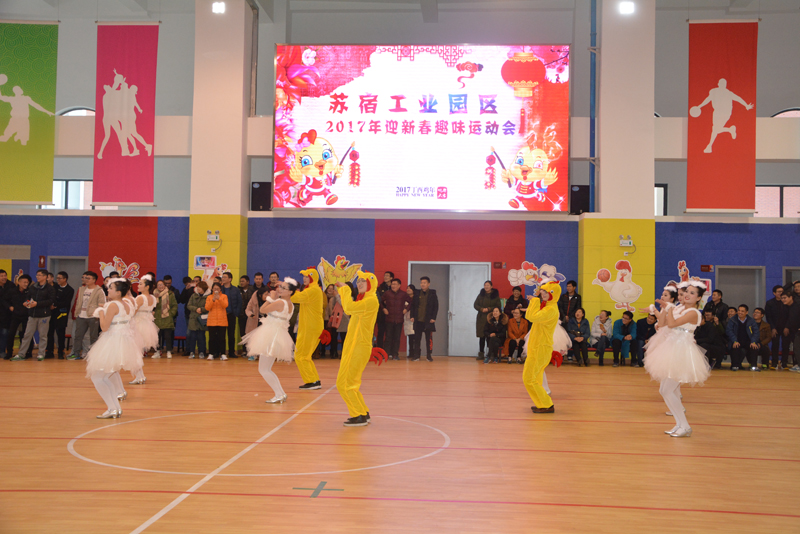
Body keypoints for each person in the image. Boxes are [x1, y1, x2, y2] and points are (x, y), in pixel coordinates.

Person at [645, 281, 710, 437]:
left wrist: (668, 308)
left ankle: (685, 426)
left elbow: (672, 324)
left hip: (681, 352)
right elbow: (662, 324)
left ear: (699, 298)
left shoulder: (694, 312)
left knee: (667, 390)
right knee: (664, 390)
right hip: (671, 348)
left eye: (692, 293)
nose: (687, 294)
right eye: (687, 291)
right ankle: (680, 424)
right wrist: (661, 309)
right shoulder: (680, 308)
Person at [84, 279, 141, 419]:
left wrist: (100, 313)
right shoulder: (127, 304)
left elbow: (104, 327)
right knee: (103, 377)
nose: (108, 290)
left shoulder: (113, 305)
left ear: (118, 292)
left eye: (111, 288)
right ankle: (114, 408)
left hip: (112, 342)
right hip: (122, 342)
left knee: (98, 377)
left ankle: (112, 408)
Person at [240, 278, 298, 404]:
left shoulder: (281, 302)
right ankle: (280, 394)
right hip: (275, 335)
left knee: (264, 369)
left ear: (290, 292)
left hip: (271, 336)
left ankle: (279, 394)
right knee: (266, 369)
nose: (280, 289)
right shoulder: (290, 304)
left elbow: (262, 310)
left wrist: (270, 298)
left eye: (284, 288)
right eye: (280, 287)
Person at [335, 271, 380, 427]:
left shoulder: (370, 301)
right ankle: (362, 412)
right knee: (349, 383)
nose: (359, 283)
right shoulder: (365, 300)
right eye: (358, 281)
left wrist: (345, 289)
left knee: (345, 384)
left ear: (371, 284)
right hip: (354, 346)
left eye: (363, 281)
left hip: (358, 347)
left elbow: (348, 308)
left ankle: (358, 415)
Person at [523, 281, 561, 414]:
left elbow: (531, 316)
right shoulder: (547, 307)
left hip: (540, 348)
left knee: (529, 378)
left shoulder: (550, 310)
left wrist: (534, 301)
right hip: (538, 347)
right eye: (542, 291)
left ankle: (546, 404)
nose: (543, 294)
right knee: (536, 378)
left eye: (546, 292)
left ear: (553, 294)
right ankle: (542, 403)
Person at [291, 268, 324, 389]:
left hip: (310, 327)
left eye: (306, 276)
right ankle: (314, 380)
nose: (304, 279)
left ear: (312, 278)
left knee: (301, 355)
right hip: (309, 326)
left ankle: (312, 381)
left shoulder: (313, 290)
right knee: (304, 355)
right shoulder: (311, 289)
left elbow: (294, 298)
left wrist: (287, 288)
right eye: (304, 277)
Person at [12, 269, 55, 361]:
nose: (37, 277)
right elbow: (28, 297)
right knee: (27, 335)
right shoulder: (33, 287)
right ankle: (21, 354)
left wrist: (37, 304)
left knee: (43, 335)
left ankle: (41, 354)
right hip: (32, 315)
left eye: (39, 275)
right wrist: (26, 302)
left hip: (44, 315)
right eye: (37, 275)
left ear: (45, 277)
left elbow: (51, 301)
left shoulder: (50, 288)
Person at [68, 272, 106, 360]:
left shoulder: (99, 291)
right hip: (81, 316)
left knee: (93, 337)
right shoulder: (81, 289)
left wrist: (96, 314)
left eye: (88, 278)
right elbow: (78, 302)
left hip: (93, 317)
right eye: (85, 278)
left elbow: (102, 303)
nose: (86, 280)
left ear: (94, 280)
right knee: (78, 336)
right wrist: (77, 313)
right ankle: (76, 353)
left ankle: (93, 355)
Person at [129, 275, 158, 384]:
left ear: (147, 287)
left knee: (134, 352)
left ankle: (139, 376)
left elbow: (133, 312)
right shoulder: (153, 298)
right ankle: (140, 376)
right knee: (137, 352)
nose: (138, 285)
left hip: (138, 325)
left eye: (141, 284)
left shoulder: (140, 298)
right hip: (147, 325)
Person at [45, 271, 74, 359]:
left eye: (59, 278)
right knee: (50, 333)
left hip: (62, 314)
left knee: (60, 333)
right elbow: (51, 298)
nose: (57, 280)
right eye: (57, 278)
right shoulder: (54, 287)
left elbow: (66, 302)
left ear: (65, 279)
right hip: (52, 313)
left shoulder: (70, 290)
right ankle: (49, 351)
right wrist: (51, 305)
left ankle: (61, 351)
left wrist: (55, 305)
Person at [381, 278, 410, 361]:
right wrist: (384, 309)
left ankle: (395, 354)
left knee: (397, 338)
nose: (393, 286)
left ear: (399, 285)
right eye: (392, 284)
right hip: (389, 319)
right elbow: (380, 301)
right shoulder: (387, 293)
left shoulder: (403, 294)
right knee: (388, 337)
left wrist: (406, 309)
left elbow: (411, 302)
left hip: (399, 319)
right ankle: (386, 354)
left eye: (395, 284)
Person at [411, 276, 438, 362]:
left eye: (424, 283)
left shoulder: (432, 294)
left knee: (428, 339)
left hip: (428, 320)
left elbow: (436, 307)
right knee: (417, 339)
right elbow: (413, 306)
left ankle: (429, 355)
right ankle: (416, 355)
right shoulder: (417, 293)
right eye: (421, 283)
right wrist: (412, 316)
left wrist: (433, 317)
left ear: (428, 284)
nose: (422, 284)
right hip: (418, 320)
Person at [725, 304, 760, 371]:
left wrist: (753, 341)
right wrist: (735, 341)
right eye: (739, 310)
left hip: (748, 341)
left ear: (746, 312)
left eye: (742, 311)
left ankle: (753, 366)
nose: (740, 312)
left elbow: (756, 332)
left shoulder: (751, 321)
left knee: (754, 347)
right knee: (735, 347)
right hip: (736, 340)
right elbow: (729, 331)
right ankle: (735, 366)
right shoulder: (732, 320)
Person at [5, 274, 31, 360]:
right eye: (24, 282)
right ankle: (9, 352)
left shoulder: (29, 291)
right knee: (11, 334)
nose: (26, 284)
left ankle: (27, 352)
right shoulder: (12, 291)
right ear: (19, 282)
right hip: (15, 315)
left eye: (27, 282)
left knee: (26, 334)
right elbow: (5, 300)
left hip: (26, 315)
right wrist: (9, 307)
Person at [474, 281, 501, 361]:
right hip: (481, 318)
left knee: (490, 337)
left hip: (491, 318)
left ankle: (491, 354)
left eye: (488, 285)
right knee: (481, 336)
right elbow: (475, 305)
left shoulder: (495, 295)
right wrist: (481, 309)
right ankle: (481, 353)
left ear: (491, 286)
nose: (486, 287)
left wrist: (489, 309)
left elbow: (498, 306)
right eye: (485, 285)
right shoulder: (481, 294)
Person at [153, 280, 178, 359]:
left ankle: (168, 351)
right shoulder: (154, 295)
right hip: (157, 318)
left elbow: (174, 305)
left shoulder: (170, 294)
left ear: (165, 285)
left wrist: (171, 314)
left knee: (168, 336)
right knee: (157, 337)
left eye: (162, 284)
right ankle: (157, 351)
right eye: (159, 285)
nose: (160, 286)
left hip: (167, 317)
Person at [764, 285, 788, 370]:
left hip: (785, 327)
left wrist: (787, 327)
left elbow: (789, 316)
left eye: (782, 291)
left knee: (786, 345)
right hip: (774, 327)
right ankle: (774, 363)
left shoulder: (786, 302)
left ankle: (784, 363)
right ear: (774, 293)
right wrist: (773, 328)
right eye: (779, 292)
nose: (781, 293)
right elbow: (768, 317)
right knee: (775, 345)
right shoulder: (770, 303)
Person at [220, 272, 243, 358]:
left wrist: (236, 312)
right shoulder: (220, 289)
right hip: (221, 315)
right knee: (221, 335)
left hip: (231, 314)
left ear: (230, 279)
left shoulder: (235, 290)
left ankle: (231, 352)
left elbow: (239, 302)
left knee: (231, 334)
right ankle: (221, 352)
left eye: (225, 277)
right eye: (222, 277)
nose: (223, 278)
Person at [205, 282, 229, 360]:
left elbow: (225, 305)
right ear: (212, 289)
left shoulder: (224, 296)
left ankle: (223, 354)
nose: (216, 290)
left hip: (222, 321)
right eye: (214, 288)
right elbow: (207, 308)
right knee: (212, 339)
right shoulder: (209, 297)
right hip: (212, 321)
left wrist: (219, 298)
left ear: (220, 289)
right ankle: (211, 353)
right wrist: (213, 300)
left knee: (222, 338)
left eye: (217, 289)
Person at [186, 281, 208, 360]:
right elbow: (189, 305)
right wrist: (196, 309)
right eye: (197, 287)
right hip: (193, 318)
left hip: (202, 319)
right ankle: (191, 352)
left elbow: (208, 306)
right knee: (192, 336)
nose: (198, 288)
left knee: (201, 336)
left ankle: (201, 352)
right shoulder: (193, 295)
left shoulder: (208, 296)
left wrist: (201, 309)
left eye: (200, 287)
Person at [782, 290, 800, 371]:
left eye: (785, 298)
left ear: (791, 297)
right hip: (793, 330)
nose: (783, 300)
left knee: (797, 348)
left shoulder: (798, 306)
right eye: (782, 298)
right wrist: (787, 327)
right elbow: (789, 319)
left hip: (798, 331)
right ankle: (797, 364)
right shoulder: (787, 307)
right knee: (796, 348)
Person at [323, 284, 343, 359]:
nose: (330, 290)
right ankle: (330, 352)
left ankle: (336, 352)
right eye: (329, 288)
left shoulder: (338, 298)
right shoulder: (324, 296)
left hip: (337, 319)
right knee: (330, 336)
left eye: (332, 289)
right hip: (327, 319)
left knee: (336, 336)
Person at [238, 275, 254, 357]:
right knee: (243, 333)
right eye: (240, 281)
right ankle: (244, 350)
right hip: (241, 315)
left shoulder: (253, 290)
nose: (241, 283)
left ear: (248, 282)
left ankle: (251, 350)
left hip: (251, 316)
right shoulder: (238, 290)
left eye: (243, 281)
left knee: (251, 333)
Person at [0, 269, 12, 356]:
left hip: (7, 315)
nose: (4, 277)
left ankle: (2, 351)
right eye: (1, 276)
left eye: (5, 275)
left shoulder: (11, 285)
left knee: (5, 333)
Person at [404, 284, 417, 358]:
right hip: (407, 319)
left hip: (414, 318)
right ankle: (411, 352)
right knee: (410, 337)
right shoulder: (405, 298)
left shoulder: (416, 298)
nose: (408, 290)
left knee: (415, 336)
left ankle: (416, 353)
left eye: (410, 288)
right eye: (407, 288)